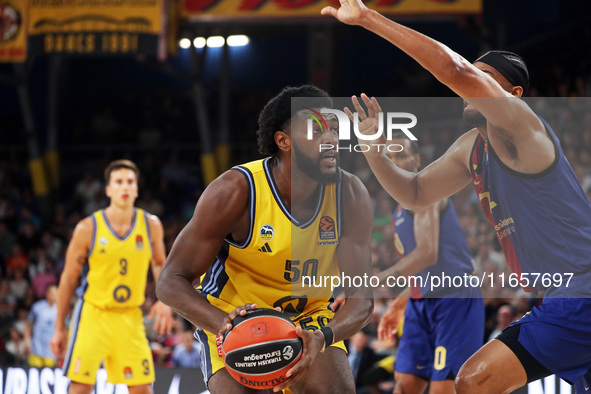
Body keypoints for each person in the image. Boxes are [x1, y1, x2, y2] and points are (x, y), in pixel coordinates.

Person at [324, 2, 591, 393]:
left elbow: (454, 70)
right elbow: (414, 192)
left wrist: (367, 18)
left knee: (473, 380)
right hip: (559, 294)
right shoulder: (473, 147)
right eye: (474, 76)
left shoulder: (521, 125)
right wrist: (371, 150)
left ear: (512, 94)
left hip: (579, 290)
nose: (469, 86)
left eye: (484, 79)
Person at [156, 85, 375, 394]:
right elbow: (170, 281)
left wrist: (323, 336)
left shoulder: (349, 195)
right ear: (283, 141)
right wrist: (224, 324)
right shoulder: (235, 192)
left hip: (308, 319)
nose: (331, 139)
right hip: (237, 319)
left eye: (335, 129)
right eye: (316, 130)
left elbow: (362, 300)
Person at [50, 159, 173, 394]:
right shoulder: (88, 228)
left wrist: (165, 301)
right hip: (93, 315)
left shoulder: (150, 225)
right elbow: (68, 279)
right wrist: (59, 327)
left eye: (129, 182)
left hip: (130, 316)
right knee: (80, 388)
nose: (124, 187)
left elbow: (160, 264)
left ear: (137, 188)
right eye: (118, 182)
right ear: (107, 189)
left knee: (142, 389)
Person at [376, 134, 484, 394]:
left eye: (401, 155)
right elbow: (424, 272)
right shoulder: (399, 212)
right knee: (403, 387)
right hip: (420, 302)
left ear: (417, 159)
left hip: (455, 299)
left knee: (444, 390)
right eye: (389, 158)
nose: (395, 163)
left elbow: (426, 254)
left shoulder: (428, 192)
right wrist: (398, 304)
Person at [25, 284, 58, 368]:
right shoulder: (37, 307)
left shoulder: (60, 309)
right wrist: (27, 342)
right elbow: (28, 326)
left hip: (51, 351)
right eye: (52, 293)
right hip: (36, 349)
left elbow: (64, 328)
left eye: (56, 293)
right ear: (47, 293)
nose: (54, 296)